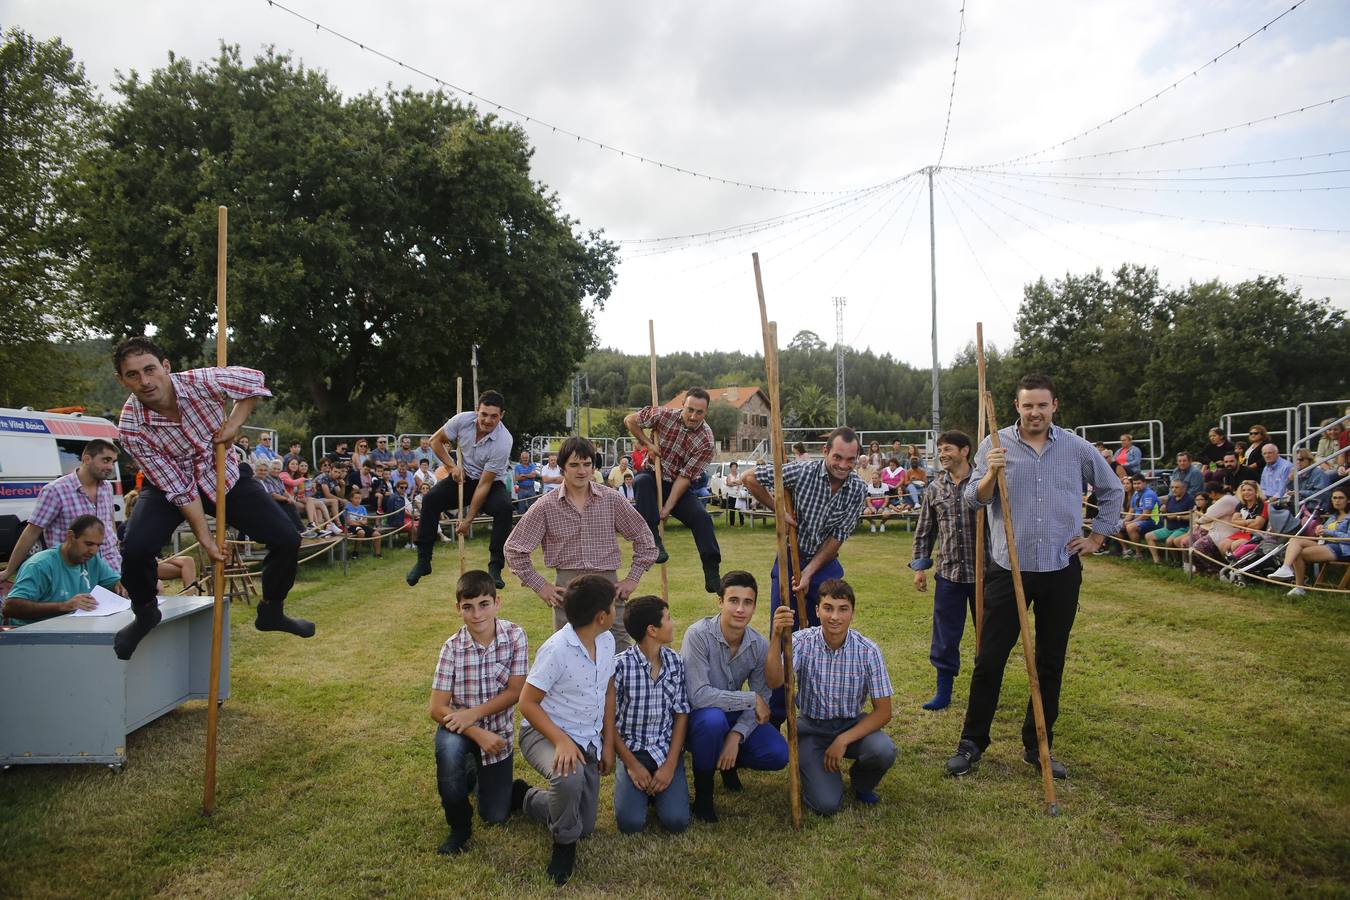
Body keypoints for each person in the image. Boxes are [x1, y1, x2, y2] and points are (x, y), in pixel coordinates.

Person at [945, 373, 1123, 780]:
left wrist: (1096, 537)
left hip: (1060, 570)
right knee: (989, 660)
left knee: (1050, 661)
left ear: (1054, 406)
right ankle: (972, 744)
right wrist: (990, 473)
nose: (1035, 412)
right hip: (1008, 570)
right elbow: (973, 499)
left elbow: (1112, 490)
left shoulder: (1077, 448)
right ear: (1017, 406)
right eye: (1028, 405)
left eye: (1042, 405)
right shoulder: (995, 443)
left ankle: (1038, 744)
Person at [112, 337, 313, 661]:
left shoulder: (200, 382)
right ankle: (145, 611)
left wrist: (234, 423)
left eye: (150, 369)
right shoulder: (131, 427)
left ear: (166, 366)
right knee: (136, 547)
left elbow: (253, 381)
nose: (145, 381)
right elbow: (177, 486)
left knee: (287, 537)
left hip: (223, 474)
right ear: (122, 380)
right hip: (168, 487)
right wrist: (204, 536)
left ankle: (271, 610)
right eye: (133, 375)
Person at [740, 426, 866, 723]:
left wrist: (809, 572)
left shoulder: (858, 490)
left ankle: (818, 706)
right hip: (788, 559)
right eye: (838, 457)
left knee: (827, 634)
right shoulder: (801, 473)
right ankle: (778, 713)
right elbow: (749, 479)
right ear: (826, 452)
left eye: (851, 460)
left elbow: (837, 537)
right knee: (785, 631)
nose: (843, 465)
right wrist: (778, 509)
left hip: (825, 565)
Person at [504, 436, 658, 652]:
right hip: (568, 589)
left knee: (617, 654)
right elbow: (514, 549)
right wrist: (541, 586)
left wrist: (632, 579)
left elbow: (644, 538)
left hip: (608, 587)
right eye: (574, 465)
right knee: (569, 655)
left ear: (593, 466)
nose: (581, 471)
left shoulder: (611, 499)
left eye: (587, 464)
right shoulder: (546, 506)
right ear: (562, 467)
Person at [513, 574, 618, 887]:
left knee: (583, 825)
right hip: (542, 733)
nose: (617, 610)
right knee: (567, 774)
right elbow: (527, 703)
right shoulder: (557, 649)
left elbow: (609, 690)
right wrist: (560, 740)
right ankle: (563, 847)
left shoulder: (607, 640)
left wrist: (608, 743)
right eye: (614, 606)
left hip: (586, 738)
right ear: (602, 617)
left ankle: (522, 797)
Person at [765, 579, 895, 815]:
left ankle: (861, 782)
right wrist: (776, 637)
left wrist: (843, 740)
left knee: (883, 749)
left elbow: (884, 712)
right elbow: (774, 681)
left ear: (852, 613)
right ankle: (822, 773)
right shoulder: (802, 642)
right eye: (828, 608)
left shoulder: (869, 651)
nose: (835, 617)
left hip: (851, 725)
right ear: (817, 610)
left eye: (843, 609)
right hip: (812, 729)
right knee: (826, 805)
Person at [429, 570, 529, 855]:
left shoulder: (515, 636)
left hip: (497, 733)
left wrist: (475, 716)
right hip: (458, 728)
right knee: (448, 758)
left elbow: (515, 691)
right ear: (458, 609)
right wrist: (474, 730)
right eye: (468, 607)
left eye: (484, 604)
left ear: (497, 603)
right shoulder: (451, 648)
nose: (476, 615)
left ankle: (480, 775)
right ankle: (459, 827)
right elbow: (437, 707)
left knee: (495, 815)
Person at [680, 571, 788, 822]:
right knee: (712, 721)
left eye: (747, 602)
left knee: (777, 753)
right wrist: (749, 699)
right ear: (720, 602)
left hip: (732, 716)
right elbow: (697, 695)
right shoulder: (697, 635)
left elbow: (763, 696)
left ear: (754, 607)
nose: (740, 609)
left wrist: (737, 735)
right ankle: (704, 796)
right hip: (699, 718)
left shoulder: (758, 645)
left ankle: (730, 763)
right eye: (733, 601)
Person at [406, 390, 514, 589]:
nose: (488, 420)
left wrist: (468, 520)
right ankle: (423, 561)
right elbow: (435, 441)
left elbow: (484, 485)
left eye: (494, 416)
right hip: (462, 476)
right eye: (484, 414)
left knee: (505, 507)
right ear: (476, 410)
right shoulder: (462, 421)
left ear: (502, 415)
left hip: (489, 484)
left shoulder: (504, 442)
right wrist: (451, 466)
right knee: (430, 500)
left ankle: (495, 566)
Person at [909, 430, 979, 711]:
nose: (942, 454)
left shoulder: (983, 482)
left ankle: (984, 689)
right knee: (945, 635)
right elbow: (925, 530)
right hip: (949, 573)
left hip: (985, 574)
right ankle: (943, 692)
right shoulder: (935, 489)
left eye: (947, 449)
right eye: (940, 450)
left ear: (965, 451)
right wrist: (920, 567)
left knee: (989, 635)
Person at [625, 388, 722, 592]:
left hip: (678, 483)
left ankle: (711, 569)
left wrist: (668, 507)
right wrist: (649, 444)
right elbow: (629, 420)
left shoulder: (706, 441)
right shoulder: (662, 415)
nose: (693, 416)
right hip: (652, 475)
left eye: (699, 412)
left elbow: (685, 477)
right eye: (690, 410)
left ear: (706, 412)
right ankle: (654, 543)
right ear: (682, 406)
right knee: (641, 481)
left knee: (702, 518)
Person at [612, 594, 691, 835]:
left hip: (665, 751)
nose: (673, 623)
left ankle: (662, 789)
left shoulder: (676, 662)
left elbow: (681, 714)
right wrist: (632, 765)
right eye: (668, 618)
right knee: (630, 824)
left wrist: (669, 765)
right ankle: (637, 786)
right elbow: (609, 724)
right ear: (652, 630)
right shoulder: (619, 667)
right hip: (632, 751)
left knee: (676, 821)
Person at [1, 438, 121, 587]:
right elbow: (32, 531)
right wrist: (9, 570)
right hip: (74, 574)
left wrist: (116, 550)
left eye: (113, 462)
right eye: (106, 460)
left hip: (111, 569)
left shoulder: (107, 488)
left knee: (123, 609)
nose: (110, 467)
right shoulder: (56, 490)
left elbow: (109, 523)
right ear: (87, 459)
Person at [2, 516, 122, 626]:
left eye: (98, 545)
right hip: (31, 636)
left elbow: (115, 583)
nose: (94, 551)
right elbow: (10, 607)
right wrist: (63, 606)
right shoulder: (40, 565)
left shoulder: (92, 560)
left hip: (71, 631)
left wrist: (120, 585)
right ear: (70, 536)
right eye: (88, 544)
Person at [1271, 488, 1350, 596]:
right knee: (1295, 539)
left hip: (1342, 547)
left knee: (1297, 554)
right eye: (1334, 498)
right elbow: (1325, 532)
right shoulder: (1333, 516)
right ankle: (1286, 568)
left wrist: (1328, 531)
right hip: (1325, 543)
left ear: (1348, 500)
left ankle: (1299, 587)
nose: (1337, 501)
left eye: (1341, 498)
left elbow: (1348, 538)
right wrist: (1319, 529)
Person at [1146, 479, 1195, 563]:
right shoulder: (1170, 498)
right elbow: (1166, 516)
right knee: (1148, 536)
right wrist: (1163, 511)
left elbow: (1193, 516)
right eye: (1172, 487)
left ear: (1184, 488)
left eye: (1176, 487)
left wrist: (1178, 517)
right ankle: (1156, 561)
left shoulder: (1190, 499)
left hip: (1183, 528)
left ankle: (1176, 561)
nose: (1173, 490)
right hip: (1169, 527)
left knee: (1169, 541)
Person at [1217, 481, 1267, 556]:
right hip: (1243, 533)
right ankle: (1231, 564)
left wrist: (1240, 522)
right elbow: (1233, 522)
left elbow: (1257, 525)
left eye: (1249, 490)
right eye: (1243, 490)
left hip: (1256, 534)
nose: (1246, 492)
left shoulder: (1262, 504)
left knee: (1235, 545)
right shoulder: (1241, 505)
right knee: (1222, 545)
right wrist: (1247, 522)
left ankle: (1238, 565)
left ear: (1256, 491)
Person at [1121, 475, 1161, 558]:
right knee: (1117, 525)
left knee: (1130, 527)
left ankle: (1138, 553)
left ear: (1144, 483)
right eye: (1135, 484)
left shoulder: (1149, 494)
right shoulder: (1135, 494)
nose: (1136, 486)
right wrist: (1124, 521)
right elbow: (1131, 511)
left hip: (1152, 522)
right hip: (1139, 521)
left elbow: (1145, 516)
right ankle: (1126, 550)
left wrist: (1130, 522)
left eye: (1139, 483)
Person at [723, 461, 747, 526]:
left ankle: (742, 523)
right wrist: (735, 482)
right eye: (733, 467)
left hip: (739, 494)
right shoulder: (729, 475)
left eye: (735, 467)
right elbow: (729, 484)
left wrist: (733, 482)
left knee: (740, 509)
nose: (734, 468)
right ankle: (732, 524)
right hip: (732, 494)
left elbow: (741, 482)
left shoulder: (740, 475)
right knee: (732, 510)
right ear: (730, 468)